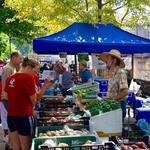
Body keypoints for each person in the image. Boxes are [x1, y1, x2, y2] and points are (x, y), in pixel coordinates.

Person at [4, 57, 51, 150]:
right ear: (28, 67)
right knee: (26, 147)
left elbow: (6, 96)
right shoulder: (28, 78)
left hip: (11, 116)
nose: (36, 74)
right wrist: (44, 88)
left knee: (16, 147)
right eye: (35, 71)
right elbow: (35, 100)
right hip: (24, 116)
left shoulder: (10, 78)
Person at [99, 49, 128, 120]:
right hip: (112, 106)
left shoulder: (120, 72)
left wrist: (112, 99)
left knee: (117, 129)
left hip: (118, 106)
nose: (106, 60)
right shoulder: (111, 73)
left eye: (108, 59)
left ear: (114, 61)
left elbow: (125, 92)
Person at [0, 51, 22, 144]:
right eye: (19, 58)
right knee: (11, 121)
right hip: (7, 99)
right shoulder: (8, 69)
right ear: (14, 57)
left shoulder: (13, 68)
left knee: (11, 120)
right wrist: (7, 97)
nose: (20, 60)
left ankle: (12, 142)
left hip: (10, 98)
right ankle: (11, 142)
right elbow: (5, 85)